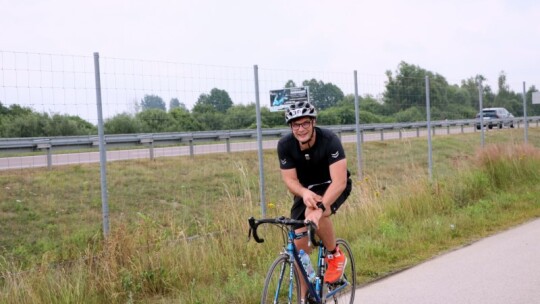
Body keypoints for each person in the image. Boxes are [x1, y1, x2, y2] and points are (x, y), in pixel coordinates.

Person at [277, 100, 352, 297]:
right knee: (299, 247)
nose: (300, 129)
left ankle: (334, 254)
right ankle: (306, 296)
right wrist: (304, 193)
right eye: (295, 125)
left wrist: (320, 208)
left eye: (305, 124)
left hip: (333, 186)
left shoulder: (329, 140)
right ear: (291, 127)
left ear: (313, 122)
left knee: (315, 213)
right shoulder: (285, 145)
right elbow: (290, 180)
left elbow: (339, 182)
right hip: (307, 191)